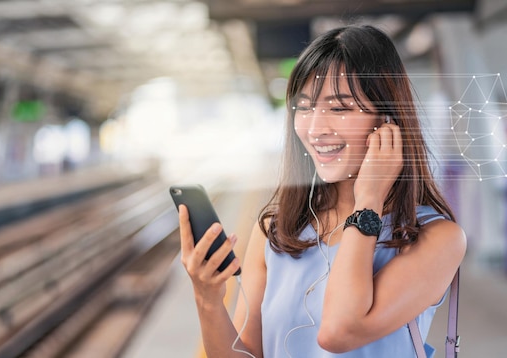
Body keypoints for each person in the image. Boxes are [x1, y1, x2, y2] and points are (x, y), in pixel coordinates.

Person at [178, 24, 466, 357]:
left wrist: (368, 200)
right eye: (304, 107)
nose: (315, 128)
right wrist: (207, 298)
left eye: (339, 107)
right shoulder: (277, 232)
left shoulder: (435, 238)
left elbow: (339, 332)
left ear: (388, 120)